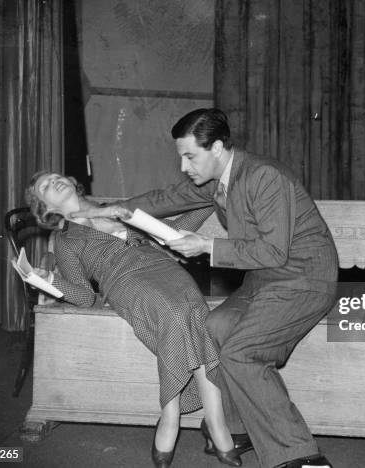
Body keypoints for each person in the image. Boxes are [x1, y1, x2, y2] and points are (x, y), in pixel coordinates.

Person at [73, 108, 339, 468]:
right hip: (266, 278)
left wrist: (206, 246)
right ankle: (238, 426)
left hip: (304, 278)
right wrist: (116, 209)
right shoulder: (216, 178)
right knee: (212, 327)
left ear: (216, 147)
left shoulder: (265, 177)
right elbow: (166, 199)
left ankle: (301, 456)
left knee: (242, 352)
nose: (184, 167)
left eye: (189, 157)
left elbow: (273, 250)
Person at [24, 171, 243, 468]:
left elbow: (172, 231)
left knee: (196, 311)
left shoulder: (117, 208)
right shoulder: (65, 241)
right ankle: (173, 415)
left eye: (55, 176)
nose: (55, 181)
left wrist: (208, 201)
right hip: (123, 281)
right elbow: (85, 296)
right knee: (177, 313)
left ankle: (214, 420)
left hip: (164, 267)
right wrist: (47, 279)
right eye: (45, 186)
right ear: (45, 208)